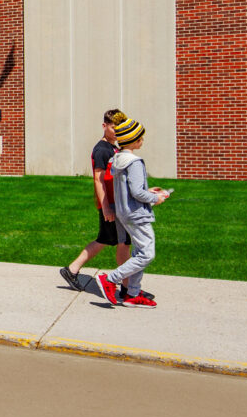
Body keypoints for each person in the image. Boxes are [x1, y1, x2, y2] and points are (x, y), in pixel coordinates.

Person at [97, 117, 170, 308]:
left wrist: (149, 191)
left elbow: (130, 189)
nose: (143, 141)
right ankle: (110, 279)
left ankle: (132, 294)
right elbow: (137, 192)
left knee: (139, 252)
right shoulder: (135, 162)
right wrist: (156, 198)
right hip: (137, 214)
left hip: (123, 212)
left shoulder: (117, 159)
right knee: (147, 254)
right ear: (135, 140)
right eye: (141, 138)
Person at [59, 109, 132, 291]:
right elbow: (98, 179)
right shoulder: (102, 150)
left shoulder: (115, 148)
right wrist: (106, 207)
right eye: (114, 127)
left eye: (119, 128)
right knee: (117, 241)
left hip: (118, 203)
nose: (116, 131)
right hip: (110, 204)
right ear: (104, 126)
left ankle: (73, 270)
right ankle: (127, 287)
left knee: (114, 241)